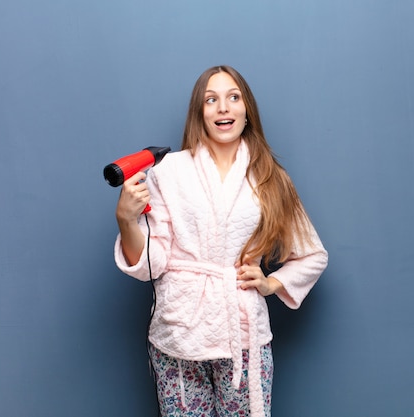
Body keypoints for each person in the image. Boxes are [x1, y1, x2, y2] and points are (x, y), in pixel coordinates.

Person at [113, 65, 328, 417]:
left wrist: (272, 282)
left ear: (247, 110)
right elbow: (153, 263)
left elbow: (312, 255)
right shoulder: (169, 171)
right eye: (211, 100)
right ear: (200, 113)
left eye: (233, 97)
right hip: (178, 333)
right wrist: (126, 219)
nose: (223, 107)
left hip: (242, 330)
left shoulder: (271, 178)